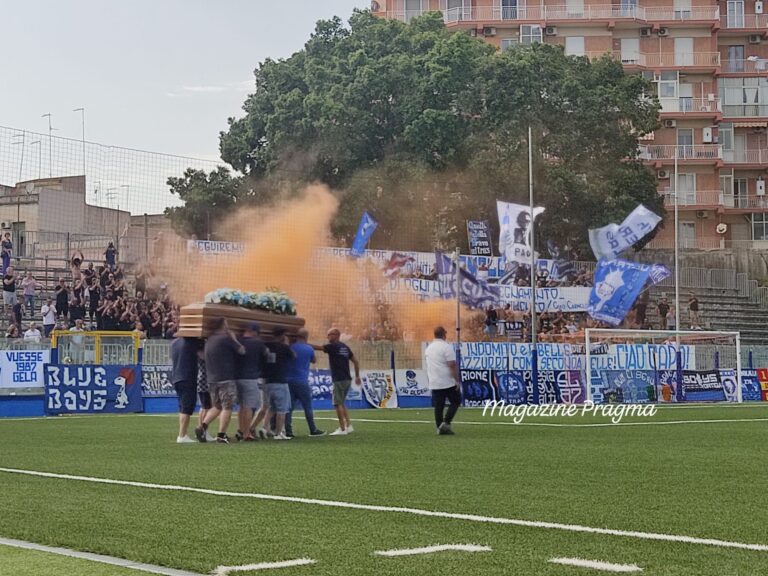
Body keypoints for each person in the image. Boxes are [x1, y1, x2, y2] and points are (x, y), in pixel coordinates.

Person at [195, 318, 244, 444]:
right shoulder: (225, 338)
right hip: (225, 377)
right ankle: (221, 435)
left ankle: (202, 426)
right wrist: (234, 338)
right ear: (222, 326)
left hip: (212, 379)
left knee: (217, 406)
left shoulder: (209, 340)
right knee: (227, 407)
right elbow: (241, 350)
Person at [313, 328, 361, 436]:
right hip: (347, 378)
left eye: (330, 334)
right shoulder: (345, 347)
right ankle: (348, 425)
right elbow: (356, 361)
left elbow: (319, 348)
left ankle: (342, 428)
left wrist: (304, 344)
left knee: (337, 403)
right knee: (342, 402)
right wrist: (357, 376)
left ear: (337, 335)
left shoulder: (333, 346)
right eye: (328, 334)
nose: (328, 337)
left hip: (339, 379)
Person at [251, 327, 295, 441]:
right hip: (280, 381)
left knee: (271, 407)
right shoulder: (284, 347)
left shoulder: (266, 345)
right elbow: (294, 356)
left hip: (266, 382)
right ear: (282, 336)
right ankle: (279, 433)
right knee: (282, 409)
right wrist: (286, 343)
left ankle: (264, 428)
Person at [285, 329, 325, 438]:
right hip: (302, 381)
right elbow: (314, 360)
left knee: (289, 407)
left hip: (289, 381)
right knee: (307, 406)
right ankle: (313, 429)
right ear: (306, 337)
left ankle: (288, 431)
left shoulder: (291, 347)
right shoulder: (309, 348)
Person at [424, 326, 461, 435]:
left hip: (434, 381)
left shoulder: (429, 348)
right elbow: (452, 365)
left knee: (438, 406)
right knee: (456, 401)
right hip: (447, 381)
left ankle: (439, 427)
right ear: (444, 334)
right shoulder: (446, 347)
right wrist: (457, 380)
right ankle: (446, 422)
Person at [235, 323, 268, 442]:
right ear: (254, 332)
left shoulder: (237, 340)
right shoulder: (258, 343)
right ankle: (246, 433)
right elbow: (267, 356)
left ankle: (241, 430)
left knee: (242, 406)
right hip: (250, 378)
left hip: (236, 378)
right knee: (249, 406)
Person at [170, 336, 202, 444]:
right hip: (187, 377)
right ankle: (182, 435)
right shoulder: (191, 342)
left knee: (182, 407)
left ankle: (183, 433)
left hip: (176, 377)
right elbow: (202, 355)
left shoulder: (174, 342)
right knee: (187, 408)